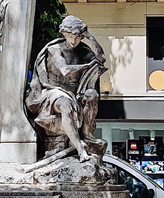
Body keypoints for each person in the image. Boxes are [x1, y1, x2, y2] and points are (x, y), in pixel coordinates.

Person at [26, 16, 107, 162]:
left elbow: (100, 59)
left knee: (92, 95)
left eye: (78, 37)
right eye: (72, 36)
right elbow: (64, 70)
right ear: (64, 33)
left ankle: (86, 133)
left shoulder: (82, 50)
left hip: (75, 93)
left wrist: (90, 37)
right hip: (52, 92)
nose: (75, 40)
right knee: (65, 104)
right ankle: (80, 149)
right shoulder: (54, 49)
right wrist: (85, 66)